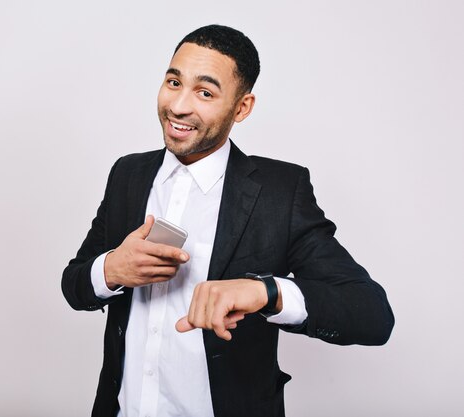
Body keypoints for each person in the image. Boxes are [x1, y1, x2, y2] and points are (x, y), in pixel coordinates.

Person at [61, 24, 394, 417]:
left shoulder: (279, 192)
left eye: (205, 92)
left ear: (242, 107)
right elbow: (75, 285)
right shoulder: (127, 175)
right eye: (173, 82)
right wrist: (110, 269)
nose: (179, 106)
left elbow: (372, 314)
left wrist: (266, 292)